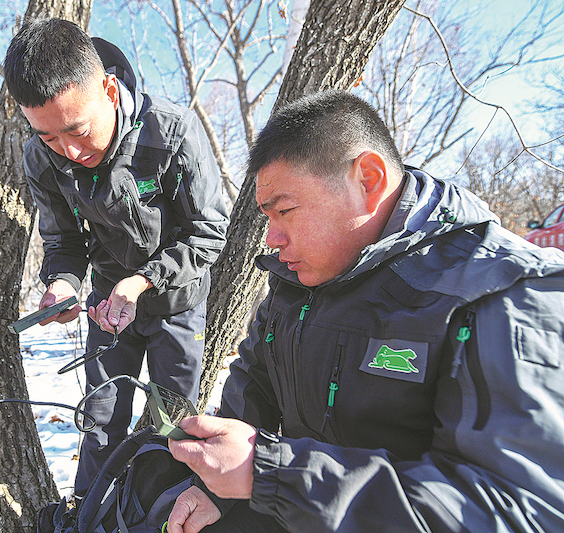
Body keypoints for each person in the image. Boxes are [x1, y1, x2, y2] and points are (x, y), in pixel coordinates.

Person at [167, 90, 564, 533]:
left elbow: (516, 511)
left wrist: (275, 474)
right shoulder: (300, 274)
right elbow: (255, 381)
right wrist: (217, 483)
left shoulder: (501, 293)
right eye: (267, 217)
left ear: (369, 180)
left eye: (286, 211)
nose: (272, 239)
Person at [2, 19, 229, 499]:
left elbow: (210, 232)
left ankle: (168, 513)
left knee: (177, 425)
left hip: (177, 304)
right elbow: (63, 241)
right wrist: (62, 284)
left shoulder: (169, 132)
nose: (68, 150)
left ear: (108, 89)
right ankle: (89, 513)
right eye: (48, 137)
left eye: (77, 130)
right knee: (102, 420)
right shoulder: (42, 159)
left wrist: (142, 281)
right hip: (108, 306)